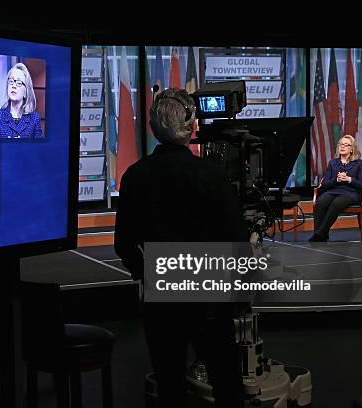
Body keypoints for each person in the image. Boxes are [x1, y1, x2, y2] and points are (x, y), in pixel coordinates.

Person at [114, 88, 247, 408]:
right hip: (209, 294)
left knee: (170, 387)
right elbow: (236, 240)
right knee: (227, 384)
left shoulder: (135, 176)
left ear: (154, 127)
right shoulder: (211, 175)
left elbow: (124, 243)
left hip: (162, 294)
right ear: (190, 126)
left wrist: (146, 273)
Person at [310, 134, 362, 242]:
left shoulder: (359, 164)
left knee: (336, 203)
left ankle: (319, 234)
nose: (342, 147)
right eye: (341, 144)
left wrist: (349, 179)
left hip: (350, 193)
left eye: (346, 145)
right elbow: (325, 184)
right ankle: (321, 235)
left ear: (352, 149)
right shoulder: (333, 163)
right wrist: (336, 180)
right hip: (333, 190)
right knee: (321, 202)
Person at [0, 62, 43, 139]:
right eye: (11, 81)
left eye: (19, 83)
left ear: (26, 91)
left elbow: (40, 149)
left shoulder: (35, 119)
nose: (13, 86)